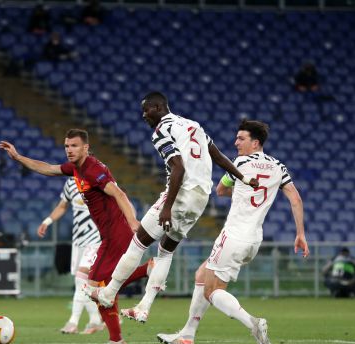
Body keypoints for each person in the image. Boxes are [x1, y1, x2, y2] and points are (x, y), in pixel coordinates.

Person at [84, 91, 256, 323]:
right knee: (165, 251)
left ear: (158, 107)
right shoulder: (194, 125)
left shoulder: (161, 130)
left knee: (137, 242)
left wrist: (167, 207)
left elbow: (178, 167)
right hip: (201, 198)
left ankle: (108, 293)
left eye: (146, 110)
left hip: (181, 194)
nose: (143, 115)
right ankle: (144, 306)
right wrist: (243, 178)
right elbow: (220, 157)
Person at [157, 119, 309, 344]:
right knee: (202, 274)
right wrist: (300, 233)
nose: (235, 142)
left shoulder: (241, 163)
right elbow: (295, 199)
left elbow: (220, 190)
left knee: (212, 291)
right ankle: (187, 335)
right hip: (254, 239)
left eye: (241, 138)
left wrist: (237, 189)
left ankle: (253, 323)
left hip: (233, 236)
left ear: (255, 143)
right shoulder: (278, 166)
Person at [0, 129, 151, 344]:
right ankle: (117, 339)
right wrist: (19, 157)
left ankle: (144, 275)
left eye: (74, 146)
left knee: (94, 287)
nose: (69, 150)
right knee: (105, 288)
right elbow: (49, 169)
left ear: (85, 148)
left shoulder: (93, 169)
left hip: (116, 234)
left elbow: (119, 194)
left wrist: (133, 222)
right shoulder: (75, 168)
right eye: (67, 146)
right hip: (108, 235)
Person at [38, 177, 105, 335]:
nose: (70, 151)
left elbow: (118, 199)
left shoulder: (99, 178)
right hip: (78, 240)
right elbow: (62, 206)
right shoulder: (70, 183)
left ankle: (73, 322)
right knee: (83, 284)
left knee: (80, 279)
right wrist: (47, 221)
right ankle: (95, 320)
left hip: (96, 239)